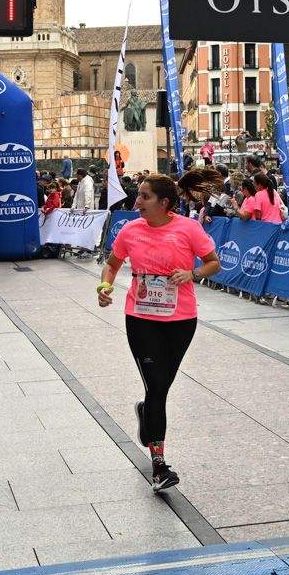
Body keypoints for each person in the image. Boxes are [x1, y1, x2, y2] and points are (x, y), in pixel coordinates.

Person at [96, 169, 224, 492]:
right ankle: (159, 466)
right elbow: (111, 264)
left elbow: (213, 262)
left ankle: (146, 414)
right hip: (140, 318)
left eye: (145, 196)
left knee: (160, 388)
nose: (137, 202)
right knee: (156, 387)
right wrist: (104, 286)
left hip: (181, 319)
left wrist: (192, 274)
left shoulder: (189, 228)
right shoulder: (130, 230)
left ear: (164, 203)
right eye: (139, 195)